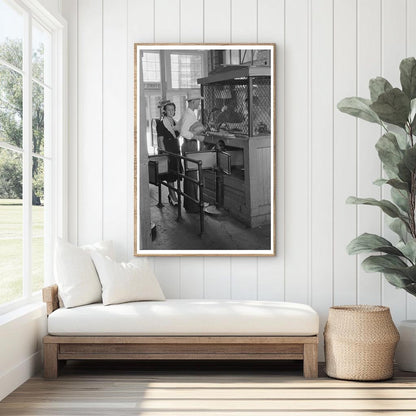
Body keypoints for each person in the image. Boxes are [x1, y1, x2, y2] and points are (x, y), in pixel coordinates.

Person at [178, 91, 205, 213]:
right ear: (193, 102)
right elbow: (183, 132)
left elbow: (179, 128)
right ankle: (193, 206)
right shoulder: (189, 115)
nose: (199, 103)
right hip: (189, 145)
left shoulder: (188, 113)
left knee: (190, 174)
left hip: (188, 145)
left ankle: (190, 205)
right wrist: (196, 137)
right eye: (198, 101)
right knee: (193, 175)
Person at [156, 101, 181, 206]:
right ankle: (173, 196)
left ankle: (172, 195)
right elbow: (160, 140)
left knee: (175, 174)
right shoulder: (161, 124)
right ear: (165, 111)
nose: (171, 111)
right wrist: (165, 154)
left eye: (173, 109)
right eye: (169, 109)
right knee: (170, 176)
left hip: (176, 150)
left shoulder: (175, 123)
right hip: (168, 150)